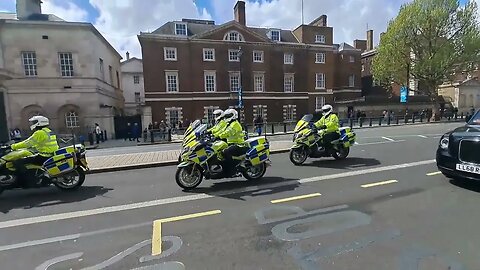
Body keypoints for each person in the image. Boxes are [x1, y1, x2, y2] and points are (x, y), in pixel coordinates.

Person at [11, 116, 59, 186]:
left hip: (43, 156)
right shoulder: (49, 131)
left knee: (17, 162)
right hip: (51, 154)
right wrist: (33, 146)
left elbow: (27, 143)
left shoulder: (39, 133)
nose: (32, 124)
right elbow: (41, 143)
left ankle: (28, 179)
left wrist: (13, 146)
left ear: (39, 123)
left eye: (34, 122)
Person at [216, 109, 247, 176]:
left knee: (225, 152)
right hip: (230, 143)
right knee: (218, 152)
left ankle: (233, 169)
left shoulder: (235, 124)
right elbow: (222, 131)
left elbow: (229, 132)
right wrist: (215, 135)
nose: (226, 117)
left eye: (228, 116)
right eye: (226, 116)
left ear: (233, 115)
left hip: (238, 144)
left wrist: (219, 136)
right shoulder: (229, 124)